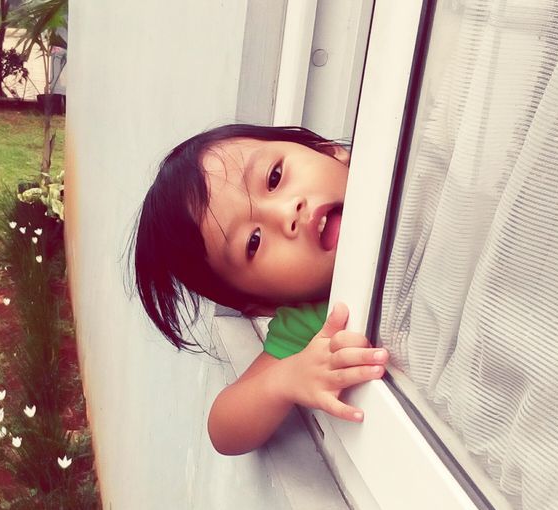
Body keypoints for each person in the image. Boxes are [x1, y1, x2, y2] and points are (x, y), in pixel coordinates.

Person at [132, 124, 389, 455]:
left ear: (328, 151)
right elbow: (223, 430)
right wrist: (287, 380)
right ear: (264, 304)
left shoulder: (408, 164)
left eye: (274, 177)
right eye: (253, 242)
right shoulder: (313, 324)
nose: (286, 213)